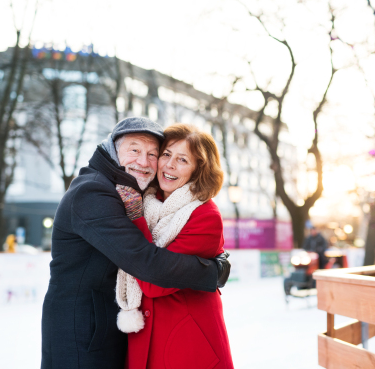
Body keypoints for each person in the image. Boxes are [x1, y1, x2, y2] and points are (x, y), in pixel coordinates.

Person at [41, 117, 230, 369]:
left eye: (153, 153)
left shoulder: (135, 195)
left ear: (198, 169)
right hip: (82, 333)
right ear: (113, 149)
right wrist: (211, 272)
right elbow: (144, 261)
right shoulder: (95, 192)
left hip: (165, 338)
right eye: (134, 150)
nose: (144, 161)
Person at [117, 124, 234, 369]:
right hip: (147, 339)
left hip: (187, 346)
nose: (169, 165)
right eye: (166, 154)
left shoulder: (204, 216)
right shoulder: (149, 200)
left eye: (182, 160)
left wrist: (135, 216)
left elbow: (154, 281)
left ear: (198, 170)